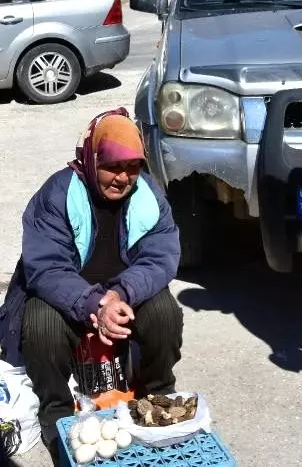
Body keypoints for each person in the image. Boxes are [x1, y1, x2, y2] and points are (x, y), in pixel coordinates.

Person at [0, 107, 183, 460]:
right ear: (90, 158)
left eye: (132, 167)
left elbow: (162, 258)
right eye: (112, 166)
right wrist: (95, 303)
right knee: (40, 321)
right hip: (67, 295)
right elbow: (46, 268)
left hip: (121, 294)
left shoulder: (150, 196)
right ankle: (56, 415)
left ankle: (156, 399)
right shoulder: (58, 193)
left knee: (164, 312)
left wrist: (119, 294)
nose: (122, 178)